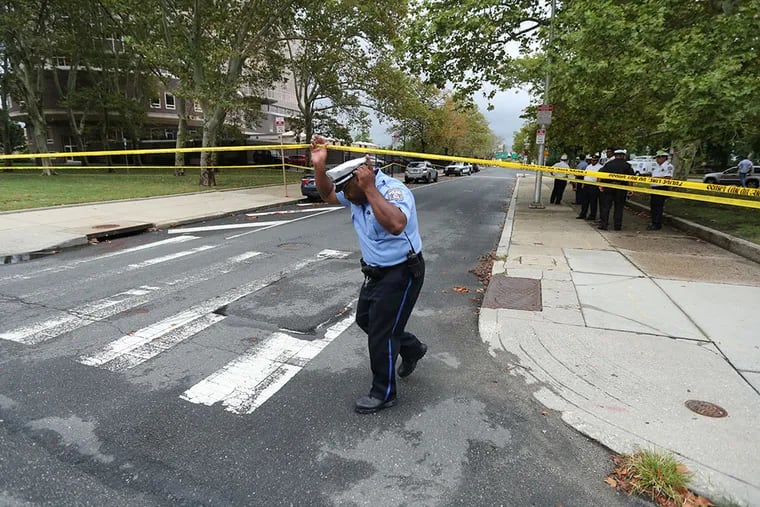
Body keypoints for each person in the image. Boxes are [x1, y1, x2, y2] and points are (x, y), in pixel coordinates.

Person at [310, 135, 427, 414]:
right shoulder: (355, 194)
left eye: (348, 190)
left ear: (363, 178)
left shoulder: (393, 191)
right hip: (375, 273)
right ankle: (411, 348)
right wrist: (319, 166)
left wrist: (371, 189)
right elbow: (327, 194)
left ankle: (383, 393)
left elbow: (397, 225)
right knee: (366, 320)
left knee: (382, 334)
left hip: (402, 272)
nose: (346, 197)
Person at [598, 149, 634, 230]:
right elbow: (631, 179)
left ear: (615, 155)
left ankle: (604, 224)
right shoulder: (627, 165)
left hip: (608, 188)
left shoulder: (608, 164)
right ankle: (617, 226)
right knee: (619, 208)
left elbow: (601, 174)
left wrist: (600, 185)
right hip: (621, 189)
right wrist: (630, 189)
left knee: (606, 207)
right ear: (623, 155)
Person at [648, 151, 674, 230]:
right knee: (653, 205)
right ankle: (653, 221)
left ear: (663, 158)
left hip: (661, 187)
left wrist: (655, 179)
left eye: (658, 157)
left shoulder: (668, 166)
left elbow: (668, 178)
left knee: (658, 206)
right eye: (656, 157)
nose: (657, 159)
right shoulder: (657, 167)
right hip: (654, 188)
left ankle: (657, 223)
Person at [577, 153, 601, 220]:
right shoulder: (588, 166)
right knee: (584, 201)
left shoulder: (600, 167)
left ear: (597, 160)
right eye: (592, 160)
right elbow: (585, 175)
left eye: (595, 160)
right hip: (586, 185)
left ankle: (592, 215)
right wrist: (583, 184)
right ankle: (583, 214)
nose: (593, 161)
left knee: (593, 202)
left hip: (594, 186)